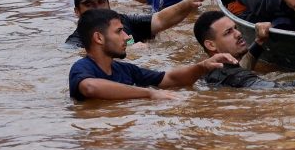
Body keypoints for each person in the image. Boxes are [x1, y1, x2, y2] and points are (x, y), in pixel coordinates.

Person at [68, 8, 233, 102]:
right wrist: (148, 93)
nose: (127, 37)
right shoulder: (82, 67)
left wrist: (202, 66)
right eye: (119, 31)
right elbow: (90, 87)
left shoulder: (126, 70)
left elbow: (171, 80)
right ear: (98, 38)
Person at [193, 11, 295, 89]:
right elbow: (283, 90)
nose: (239, 34)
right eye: (228, 32)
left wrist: (259, 42)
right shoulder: (235, 76)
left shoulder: (211, 69)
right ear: (211, 45)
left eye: (235, 28)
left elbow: (239, 71)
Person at [64, 0, 208, 48]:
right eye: (89, 5)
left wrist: (189, 2)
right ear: (77, 11)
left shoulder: (124, 21)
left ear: (109, 4)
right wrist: (128, 50)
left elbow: (160, 20)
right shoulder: (76, 42)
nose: (97, 9)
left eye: (101, 2)